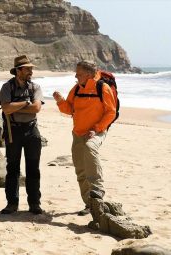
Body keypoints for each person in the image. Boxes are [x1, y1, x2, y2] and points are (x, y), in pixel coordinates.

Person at [52, 60, 116, 216]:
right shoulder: (77, 88)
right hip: (78, 133)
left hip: (97, 131)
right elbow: (69, 109)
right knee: (80, 170)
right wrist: (60, 101)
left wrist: (97, 128)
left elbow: (111, 112)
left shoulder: (103, 88)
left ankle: (98, 190)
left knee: (90, 147)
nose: (75, 75)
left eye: (78, 73)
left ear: (88, 75)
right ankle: (89, 204)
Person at [0, 55, 44, 215]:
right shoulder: (7, 87)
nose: (31, 71)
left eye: (31, 68)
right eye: (28, 69)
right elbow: (6, 109)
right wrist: (25, 103)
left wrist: (14, 106)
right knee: (13, 169)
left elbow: (36, 108)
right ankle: (12, 204)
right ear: (18, 71)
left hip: (32, 131)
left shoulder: (35, 87)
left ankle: (34, 203)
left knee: (33, 169)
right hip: (13, 131)